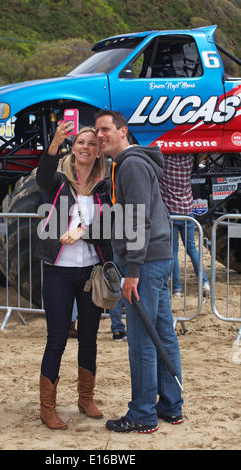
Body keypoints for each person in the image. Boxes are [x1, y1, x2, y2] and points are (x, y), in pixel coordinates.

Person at [95, 110, 183, 434]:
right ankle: (171, 405)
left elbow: (138, 220)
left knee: (142, 339)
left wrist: (131, 270)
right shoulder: (128, 164)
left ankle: (143, 414)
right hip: (156, 259)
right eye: (97, 130)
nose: (100, 135)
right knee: (163, 333)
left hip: (145, 264)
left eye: (105, 129)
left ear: (123, 131)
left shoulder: (130, 164)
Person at [36, 122, 113, 430]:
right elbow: (42, 175)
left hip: (92, 272)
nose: (86, 147)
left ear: (98, 151)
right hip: (57, 271)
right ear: (73, 147)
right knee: (56, 338)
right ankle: (47, 407)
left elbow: (112, 228)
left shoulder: (106, 186)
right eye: (81, 142)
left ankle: (86, 398)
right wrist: (54, 143)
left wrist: (82, 233)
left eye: (92, 144)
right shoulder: (57, 182)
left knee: (90, 338)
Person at [159, 154, 210, 297]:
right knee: (192, 249)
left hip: (171, 213)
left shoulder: (165, 161)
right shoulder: (189, 160)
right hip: (188, 211)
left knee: (173, 252)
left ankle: (177, 289)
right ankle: (204, 282)